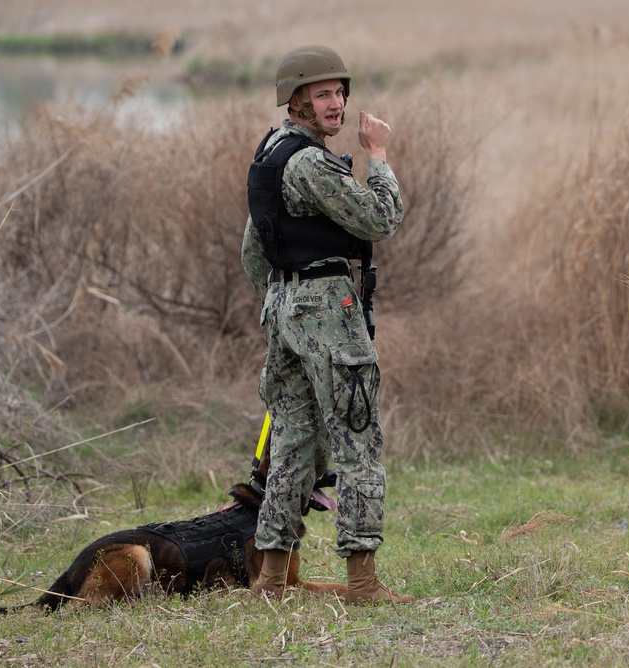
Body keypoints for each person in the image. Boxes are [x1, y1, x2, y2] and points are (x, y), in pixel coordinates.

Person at [241, 44, 413, 605]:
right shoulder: (310, 161)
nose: (336, 103)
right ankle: (362, 583)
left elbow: (253, 252)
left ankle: (270, 578)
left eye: (339, 91)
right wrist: (379, 154)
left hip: (283, 310)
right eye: (322, 94)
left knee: (292, 443)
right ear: (296, 102)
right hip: (328, 315)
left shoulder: (269, 153)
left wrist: (284, 303)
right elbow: (380, 217)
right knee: (357, 439)